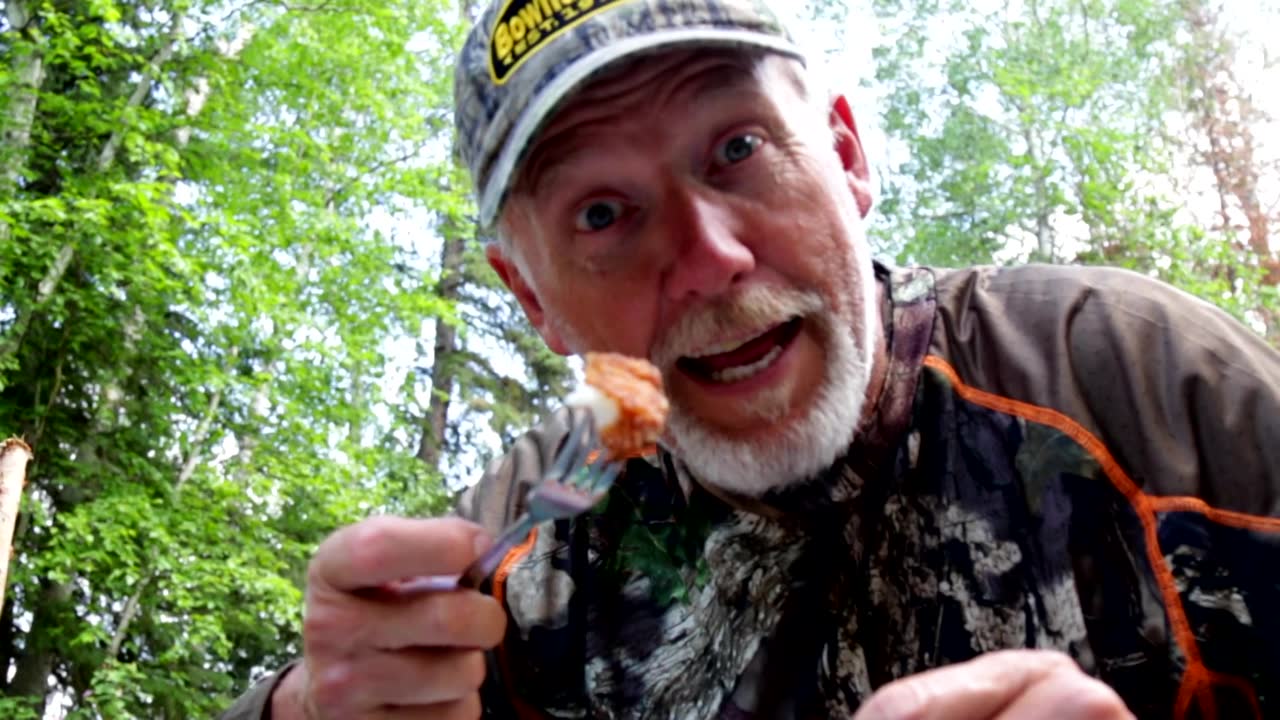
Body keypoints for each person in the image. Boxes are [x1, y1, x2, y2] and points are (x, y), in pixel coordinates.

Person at [219, 0, 1280, 718]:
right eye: (602, 213)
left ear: (847, 156)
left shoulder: (1140, 386)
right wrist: (305, 706)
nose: (706, 259)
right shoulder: (521, 547)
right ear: (533, 299)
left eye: (737, 149)